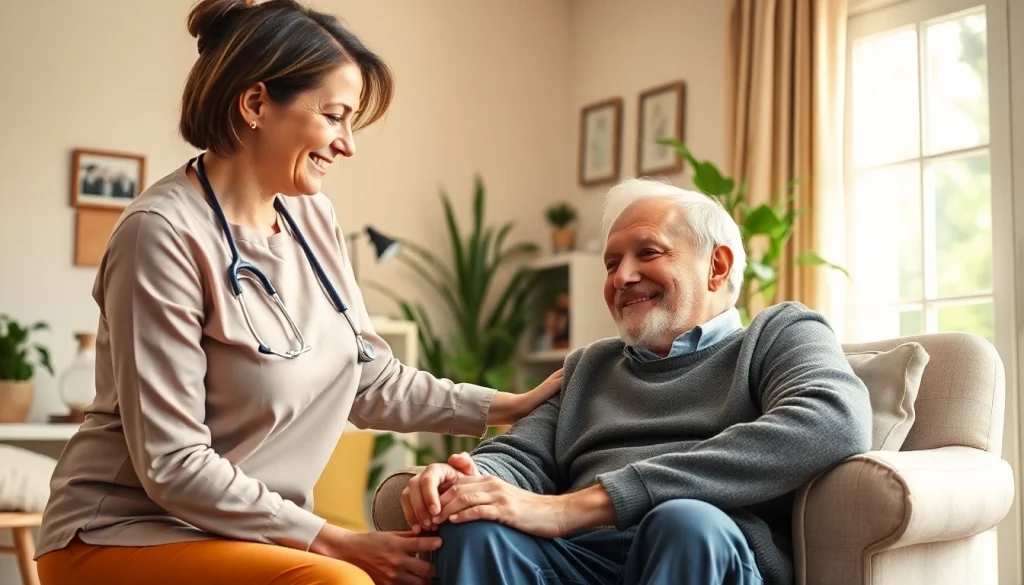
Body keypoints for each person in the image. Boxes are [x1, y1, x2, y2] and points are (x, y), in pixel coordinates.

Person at [33, 1, 563, 585]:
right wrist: (338, 544)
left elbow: (369, 379)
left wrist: (509, 406)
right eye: (335, 116)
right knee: (336, 582)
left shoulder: (313, 218)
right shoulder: (161, 235)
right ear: (256, 103)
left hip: (247, 535)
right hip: (126, 531)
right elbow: (173, 464)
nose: (348, 144)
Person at [399, 178, 874, 585]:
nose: (623, 276)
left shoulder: (777, 335)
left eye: (648, 252)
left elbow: (832, 419)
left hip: (700, 549)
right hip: (581, 560)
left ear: (718, 266)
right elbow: (521, 457)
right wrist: (470, 479)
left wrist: (585, 505)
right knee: (470, 524)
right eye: (610, 264)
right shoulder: (590, 366)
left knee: (683, 521)